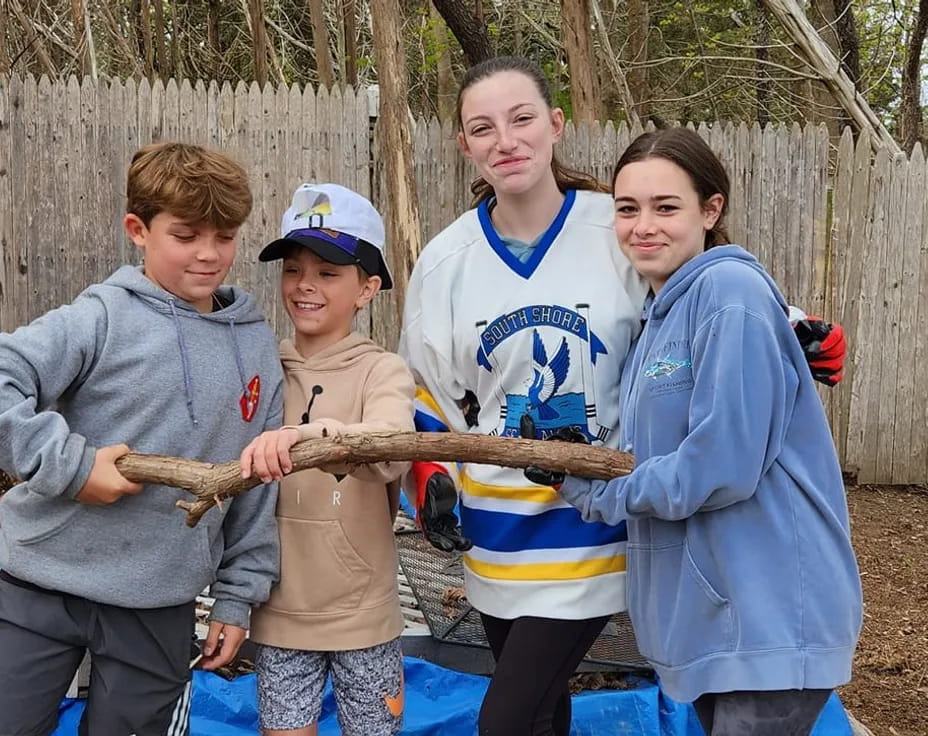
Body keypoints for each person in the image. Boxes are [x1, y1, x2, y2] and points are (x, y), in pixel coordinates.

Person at [398, 56, 847, 736]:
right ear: (464, 144)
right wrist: (428, 474)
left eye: (522, 119)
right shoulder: (444, 262)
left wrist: (793, 325)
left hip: (594, 523)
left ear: (556, 125)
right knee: (540, 712)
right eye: (482, 128)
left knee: (508, 721)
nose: (505, 140)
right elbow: (427, 389)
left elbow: (701, 288)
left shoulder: (618, 224)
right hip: (495, 528)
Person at [537, 127, 863, 736]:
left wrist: (595, 491)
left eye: (667, 207)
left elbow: (720, 466)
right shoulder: (656, 318)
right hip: (719, 619)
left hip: (767, 612)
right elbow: (649, 458)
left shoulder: (728, 292)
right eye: (628, 209)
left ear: (710, 210)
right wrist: (574, 474)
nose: (644, 226)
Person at [0, 142, 285, 734]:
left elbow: (257, 487)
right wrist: (74, 470)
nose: (209, 254)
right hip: (37, 581)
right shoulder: (100, 317)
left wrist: (236, 597)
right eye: (186, 235)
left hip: (159, 601)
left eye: (225, 236)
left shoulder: (255, 347)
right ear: (138, 229)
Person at [240, 183, 415, 736]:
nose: (305, 286)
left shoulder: (381, 371)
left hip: (363, 615)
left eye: (327, 273)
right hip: (279, 611)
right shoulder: (260, 366)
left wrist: (308, 436)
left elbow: (390, 444)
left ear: (368, 288)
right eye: (293, 270)